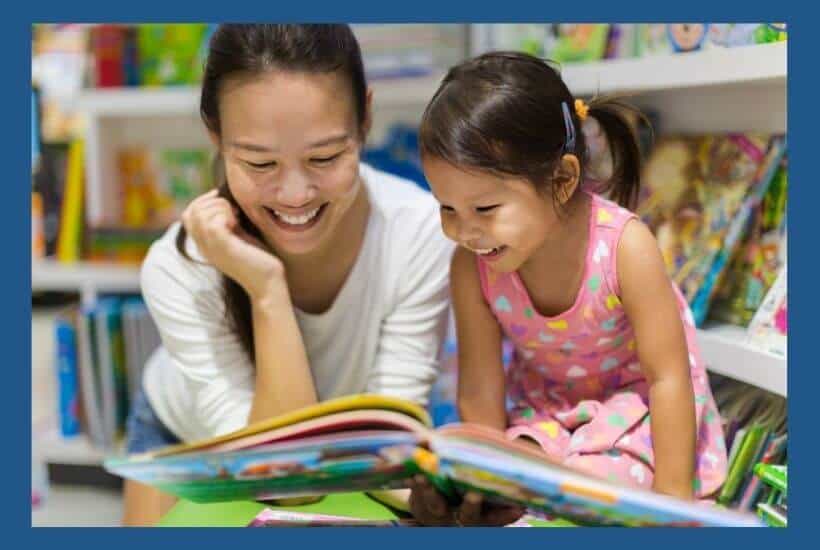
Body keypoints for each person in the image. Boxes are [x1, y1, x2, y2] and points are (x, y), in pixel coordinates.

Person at [123, 24, 453, 526]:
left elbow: (387, 444)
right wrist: (267, 290)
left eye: (324, 157)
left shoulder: (420, 233)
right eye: (259, 162)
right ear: (215, 136)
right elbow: (280, 481)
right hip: (185, 439)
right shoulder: (179, 268)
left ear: (365, 116)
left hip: (345, 459)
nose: (295, 193)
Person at [409, 51, 728, 526]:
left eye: (485, 209)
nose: (464, 231)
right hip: (546, 415)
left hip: (635, 412)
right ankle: (528, 489)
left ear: (561, 180)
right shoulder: (471, 265)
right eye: (447, 208)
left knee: (596, 479)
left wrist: (672, 501)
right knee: (459, 455)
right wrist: (479, 474)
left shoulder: (626, 247)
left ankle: (554, 487)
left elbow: (669, 379)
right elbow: (479, 390)